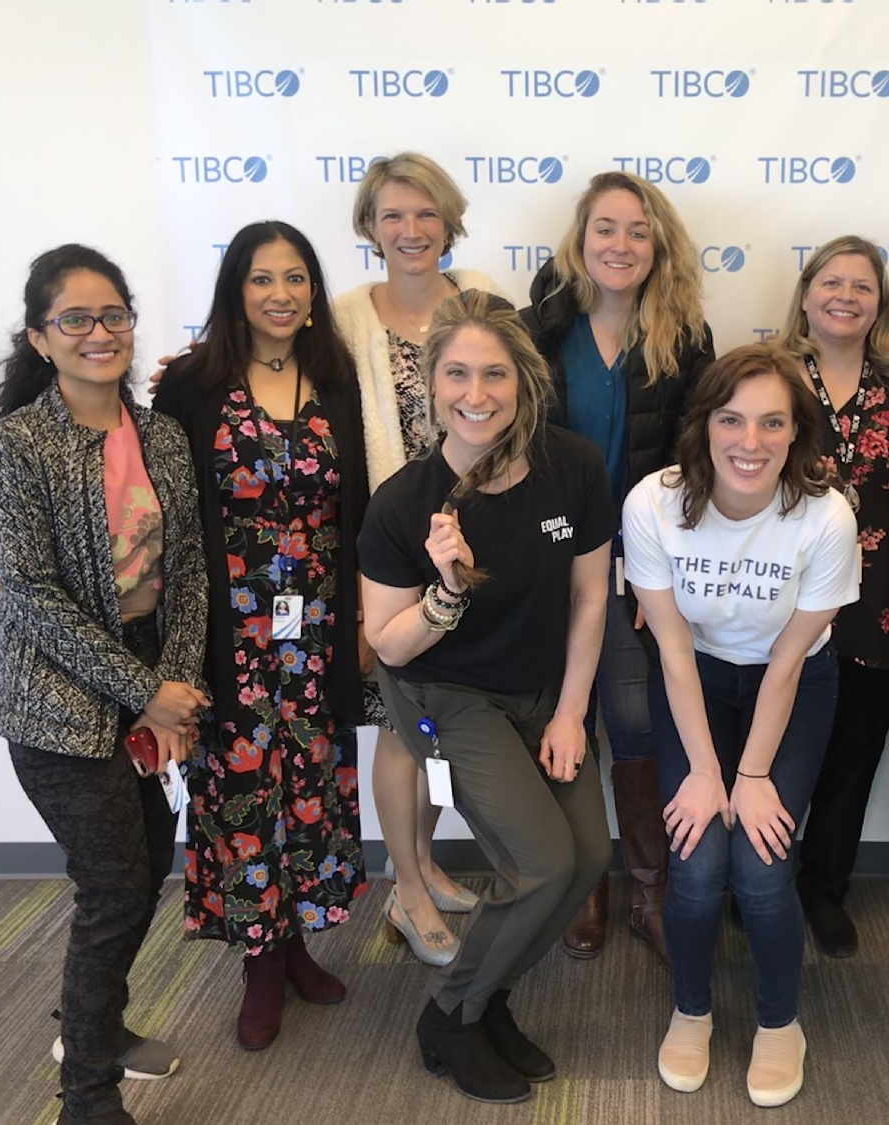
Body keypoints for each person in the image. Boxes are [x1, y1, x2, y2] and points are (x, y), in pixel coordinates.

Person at [0, 245, 209, 1125]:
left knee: (145, 868)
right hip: (55, 696)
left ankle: (93, 1025)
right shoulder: (20, 443)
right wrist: (139, 689)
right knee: (113, 882)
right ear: (41, 337)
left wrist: (174, 684)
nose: (99, 332)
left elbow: (187, 572)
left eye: (113, 314)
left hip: (148, 676)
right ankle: (86, 1095)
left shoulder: (160, 436)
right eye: (75, 319)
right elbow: (29, 591)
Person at [361, 290, 615, 1105]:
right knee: (540, 860)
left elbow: (588, 599)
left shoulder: (572, 465)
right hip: (446, 693)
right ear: (431, 384)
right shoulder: (404, 503)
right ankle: (450, 1018)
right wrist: (445, 589)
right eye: (458, 373)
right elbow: (388, 644)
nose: (477, 392)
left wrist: (573, 709)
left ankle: (486, 994)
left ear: (524, 380)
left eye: (495, 373)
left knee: (588, 859)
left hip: (542, 690)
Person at [624, 345, 859, 1108]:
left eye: (771, 422)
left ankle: (778, 1022)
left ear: (797, 433)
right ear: (706, 423)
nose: (749, 441)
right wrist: (703, 771)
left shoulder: (826, 516)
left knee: (761, 862)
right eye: (732, 419)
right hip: (693, 675)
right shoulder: (653, 502)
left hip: (789, 684)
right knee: (695, 858)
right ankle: (691, 1009)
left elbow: (791, 657)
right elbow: (668, 644)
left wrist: (750, 776)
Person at [155, 221, 369, 1051]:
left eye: (295, 277)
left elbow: (357, 508)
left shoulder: (338, 378)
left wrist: (356, 619)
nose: (280, 293)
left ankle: (299, 939)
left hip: (317, 626)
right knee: (240, 796)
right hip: (228, 629)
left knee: (312, 787)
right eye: (260, 278)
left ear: (314, 291)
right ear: (234, 290)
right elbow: (161, 504)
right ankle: (260, 961)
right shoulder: (189, 384)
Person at [521, 169, 715, 964]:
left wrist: (658, 571)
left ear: (656, 244)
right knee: (562, 721)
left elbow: (691, 457)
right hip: (550, 561)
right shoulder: (535, 329)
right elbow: (515, 448)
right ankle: (584, 880)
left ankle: (649, 883)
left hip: (639, 567)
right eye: (606, 228)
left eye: (638, 230)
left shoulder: (685, 335)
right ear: (580, 238)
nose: (621, 244)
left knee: (635, 724)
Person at [333, 151, 502, 965]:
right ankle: (403, 887)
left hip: (470, 551)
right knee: (401, 722)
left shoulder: (484, 306)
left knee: (433, 717)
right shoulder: (339, 319)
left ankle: (427, 862)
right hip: (387, 552)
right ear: (370, 226)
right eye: (393, 214)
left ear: (449, 221)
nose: (410, 230)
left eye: (425, 213)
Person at [777, 236, 889, 959]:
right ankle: (763, 879)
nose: (845, 295)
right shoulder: (767, 378)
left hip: (879, 608)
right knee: (775, 752)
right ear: (805, 295)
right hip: (780, 603)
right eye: (830, 281)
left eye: (861, 285)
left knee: (851, 759)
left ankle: (824, 886)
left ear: (880, 303)